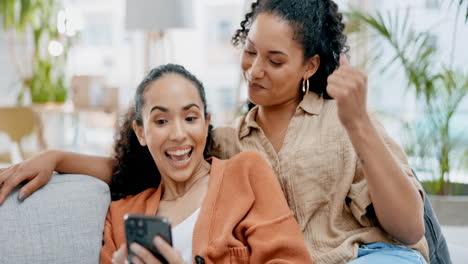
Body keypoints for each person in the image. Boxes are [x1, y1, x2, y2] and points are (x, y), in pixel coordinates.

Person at [0, 0, 449, 263]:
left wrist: (358, 123)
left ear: (310, 65)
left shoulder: (344, 120)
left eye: (274, 61)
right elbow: (141, 161)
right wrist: (57, 158)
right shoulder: (228, 141)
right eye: (250, 52)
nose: (254, 71)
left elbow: (408, 227)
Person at [99, 63, 313, 264]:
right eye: (161, 121)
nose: (178, 134)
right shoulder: (120, 217)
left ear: (206, 122)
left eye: (190, 118)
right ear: (141, 133)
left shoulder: (246, 175)